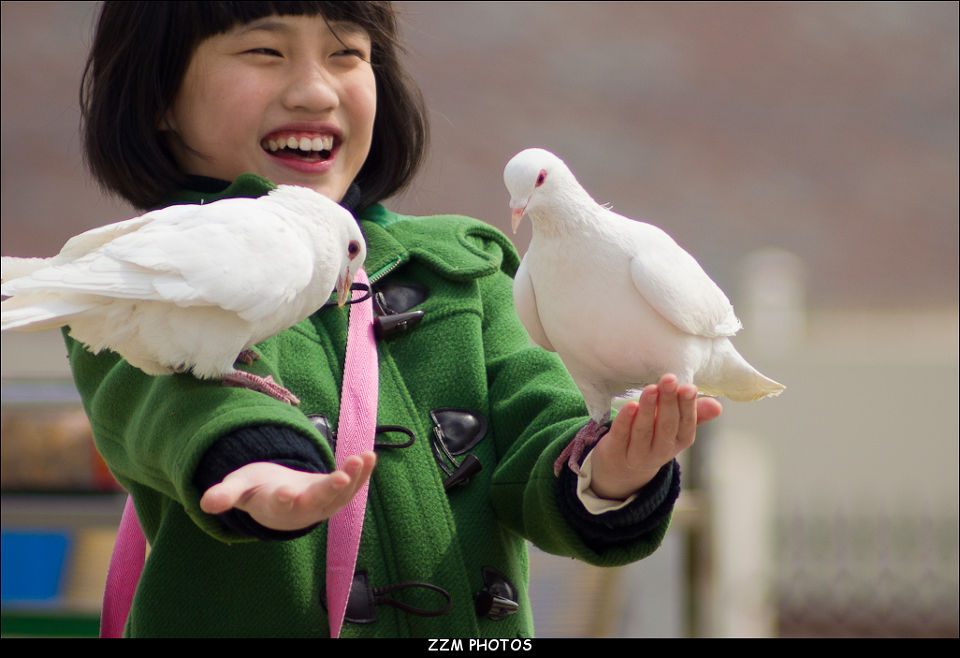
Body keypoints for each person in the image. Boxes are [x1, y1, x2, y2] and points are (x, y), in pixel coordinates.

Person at [73, 1, 722, 637]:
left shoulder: (460, 268)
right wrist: (258, 459)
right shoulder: (135, 270)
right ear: (157, 94)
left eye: (347, 53)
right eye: (264, 51)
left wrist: (610, 470)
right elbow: (174, 405)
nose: (314, 90)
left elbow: (541, 432)